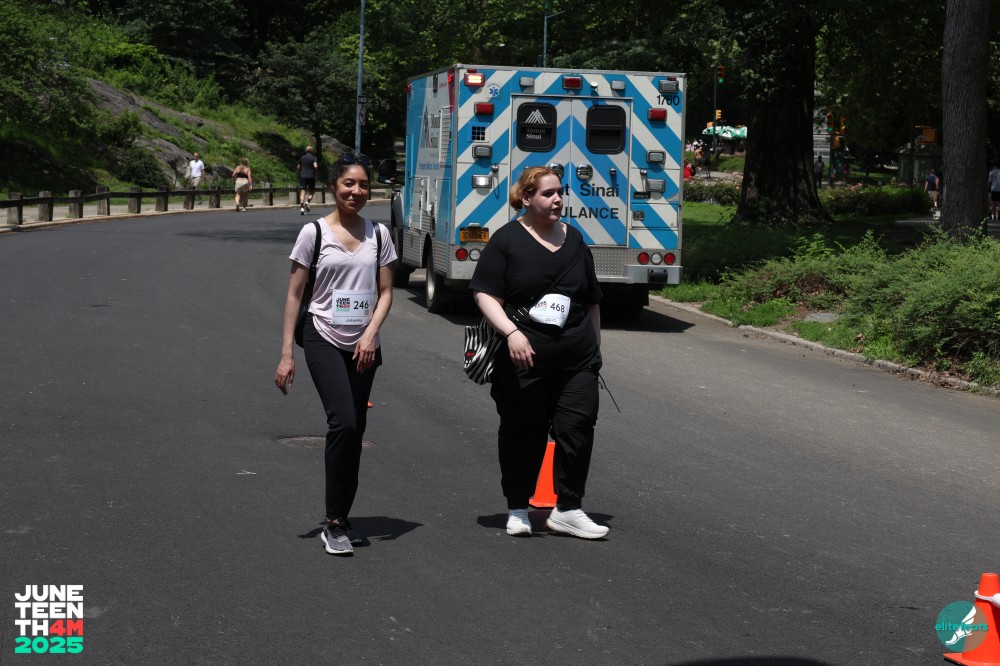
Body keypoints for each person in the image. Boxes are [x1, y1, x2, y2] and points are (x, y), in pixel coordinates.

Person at [470, 166, 608, 540]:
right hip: (523, 361)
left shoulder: (575, 240)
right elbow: (485, 294)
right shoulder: (506, 241)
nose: (558, 199)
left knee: (576, 430)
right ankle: (518, 507)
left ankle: (568, 509)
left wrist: (595, 352)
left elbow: (591, 300)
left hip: (576, 359)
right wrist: (511, 333)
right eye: (548, 193)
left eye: (560, 192)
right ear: (526, 198)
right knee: (523, 433)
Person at [274, 154, 397, 556]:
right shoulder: (313, 233)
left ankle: (343, 518)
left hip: (364, 343)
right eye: (349, 184)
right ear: (333, 186)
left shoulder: (379, 234)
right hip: (322, 335)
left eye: (363, 185)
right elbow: (295, 295)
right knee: (342, 421)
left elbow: (386, 293)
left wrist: (371, 334)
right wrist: (287, 354)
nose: (356, 192)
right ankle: (332, 522)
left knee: (355, 430)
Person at [297, 146, 318, 215]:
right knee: (312, 191)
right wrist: (316, 171)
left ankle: (302, 209)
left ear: (306, 151)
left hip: (303, 176)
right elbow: (315, 166)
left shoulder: (302, 158)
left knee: (303, 191)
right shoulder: (313, 158)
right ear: (311, 151)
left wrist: (300, 172)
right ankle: (307, 202)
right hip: (311, 176)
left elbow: (298, 167)